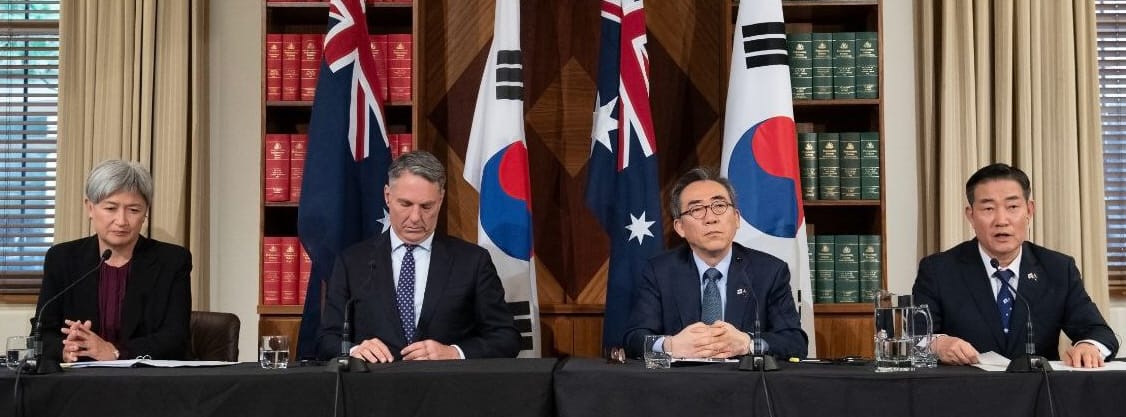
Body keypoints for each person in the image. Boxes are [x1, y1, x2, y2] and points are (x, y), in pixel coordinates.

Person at [316, 151, 520, 362]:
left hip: (446, 388)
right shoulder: (352, 262)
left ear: (440, 200)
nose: (415, 218)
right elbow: (326, 340)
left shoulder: (472, 261)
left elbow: (506, 338)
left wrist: (453, 352)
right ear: (387, 196)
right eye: (405, 204)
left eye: (426, 207)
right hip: (374, 388)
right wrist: (354, 350)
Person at [913, 163, 1118, 368]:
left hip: (1038, 394)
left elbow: (1099, 333)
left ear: (1029, 210)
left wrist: (1089, 347)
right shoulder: (938, 270)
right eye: (988, 208)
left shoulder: (1057, 268)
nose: (1001, 220)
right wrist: (937, 344)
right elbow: (913, 338)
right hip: (966, 392)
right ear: (971, 215)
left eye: (1012, 207)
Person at [622, 167, 808, 360]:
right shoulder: (659, 271)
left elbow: (795, 343)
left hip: (746, 385)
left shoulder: (769, 271)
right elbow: (633, 340)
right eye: (696, 209)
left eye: (719, 206)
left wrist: (748, 343)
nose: (711, 218)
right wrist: (670, 345)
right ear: (680, 227)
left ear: (736, 218)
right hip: (680, 384)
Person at [36, 160, 192, 362]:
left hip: (147, 382)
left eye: (134, 210)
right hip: (79, 383)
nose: (121, 221)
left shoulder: (172, 261)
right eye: (110, 208)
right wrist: (67, 350)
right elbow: (42, 331)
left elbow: (175, 338)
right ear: (90, 208)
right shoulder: (62, 258)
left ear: (146, 212)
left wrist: (115, 353)